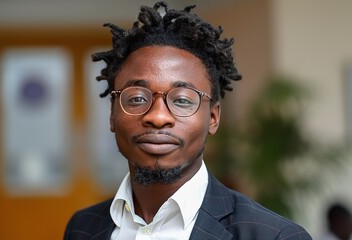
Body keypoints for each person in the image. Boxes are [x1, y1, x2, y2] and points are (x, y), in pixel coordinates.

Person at [64, 2, 312, 239]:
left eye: (182, 100)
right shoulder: (83, 227)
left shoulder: (274, 236)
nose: (158, 117)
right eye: (138, 99)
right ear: (112, 115)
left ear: (213, 118)